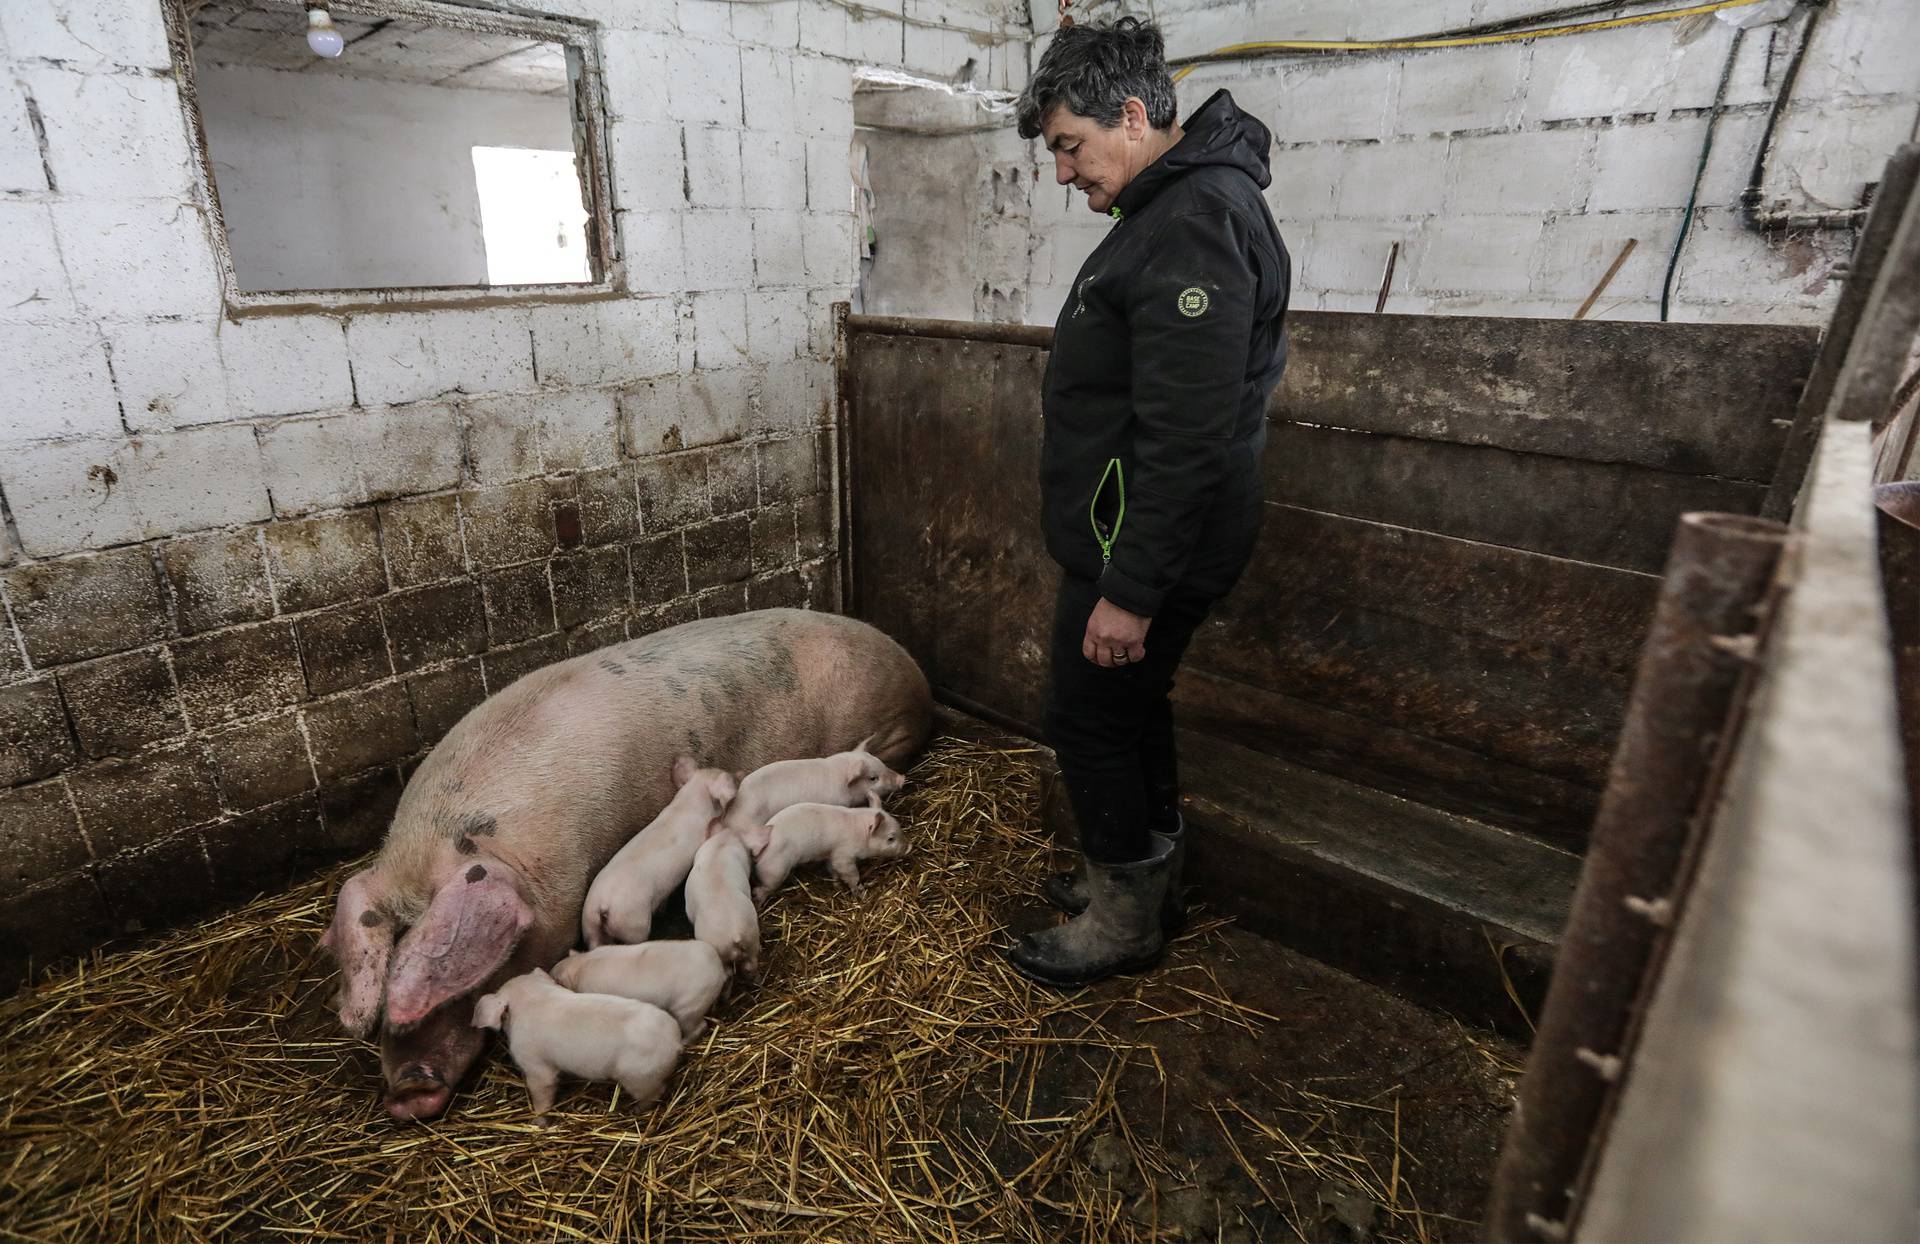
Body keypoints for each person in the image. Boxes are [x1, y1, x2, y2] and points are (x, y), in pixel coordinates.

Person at [1005, 17, 1291, 989]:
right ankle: (1142, 878)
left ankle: (1122, 917)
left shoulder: (1192, 220)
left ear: (1132, 114)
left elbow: (1187, 431)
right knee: (1129, 706)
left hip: (1147, 543)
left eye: (1069, 146)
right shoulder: (1178, 210)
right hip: (1142, 533)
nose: (1063, 172)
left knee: (1087, 716)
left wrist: (1129, 589)